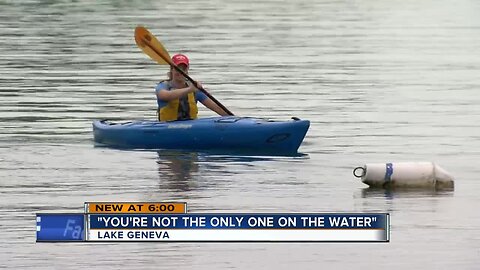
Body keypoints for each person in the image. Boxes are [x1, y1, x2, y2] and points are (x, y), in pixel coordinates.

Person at [154, 54, 229, 121]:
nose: (180, 71)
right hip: (167, 128)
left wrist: (233, 119)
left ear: (187, 69)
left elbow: (216, 107)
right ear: (171, 69)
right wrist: (189, 90)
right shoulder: (163, 86)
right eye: (177, 68)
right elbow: (164, 96)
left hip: (190, 129)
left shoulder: (194, 89)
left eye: (183, 68)